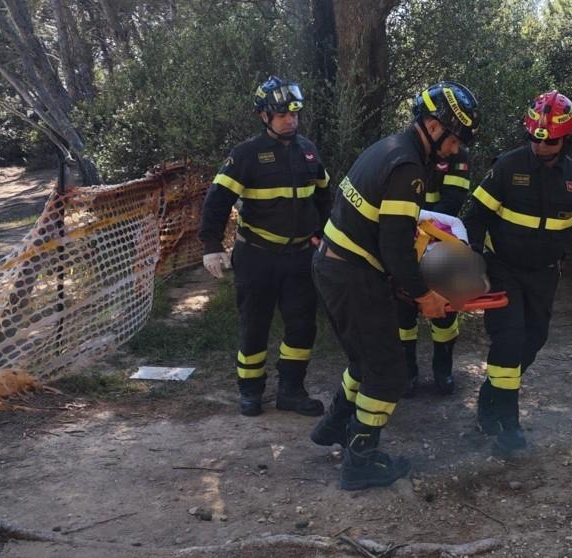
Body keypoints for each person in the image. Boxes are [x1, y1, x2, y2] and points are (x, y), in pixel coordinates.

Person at [309, 81, 481, 490]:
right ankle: (361, 461)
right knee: (387, 374)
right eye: (454, 138)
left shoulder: (389, 147)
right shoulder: (408, 167)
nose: (456, 149)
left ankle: (334, 426)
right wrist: (425, 296)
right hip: (352, 276)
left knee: (365, 359)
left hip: (335, 268)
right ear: (435, 127)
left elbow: (388, 230)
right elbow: (395, 245)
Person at [461, 90, 572, 455]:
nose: (540, 147)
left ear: (567, 139)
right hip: (503, 269)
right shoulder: (507, 167)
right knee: (510, 338)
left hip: (545, 275)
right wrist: (472, 261)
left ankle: (489, 399)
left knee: (533, 341)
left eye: (549, 142)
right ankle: (507, 424)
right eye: (534, 138)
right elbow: (475, 217)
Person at [198, 76, 331, 417]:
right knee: (254, 325)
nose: (291, 119)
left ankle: (291, 390)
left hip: (300, 257)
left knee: (302, 326)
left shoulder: (309, 150)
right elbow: (217, 201)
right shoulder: (246, 154)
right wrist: (211, 245)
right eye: (282, 113)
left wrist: (325, 234)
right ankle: (251, 391)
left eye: (295, 113)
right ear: (264, 116)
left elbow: (324, 198)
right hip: (256, 256)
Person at [396, 148, 472, 397]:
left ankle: (443, 370)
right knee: (403, 310)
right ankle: (407, 372)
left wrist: (426, 222)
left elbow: (453, 201)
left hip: (441, 236)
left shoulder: (456, 155)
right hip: (405, 235)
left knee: (444, 312)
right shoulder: (404, 153)